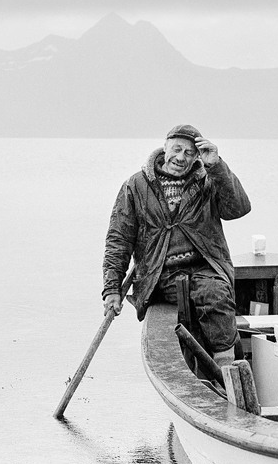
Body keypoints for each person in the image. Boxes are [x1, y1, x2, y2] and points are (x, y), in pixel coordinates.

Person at [101, 124, 251, 368]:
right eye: (177, 149)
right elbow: (118, 239)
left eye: (190, 153)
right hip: (160, 274)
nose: (181, 157)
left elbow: (238, 209)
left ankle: (227, 369)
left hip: (205, 267)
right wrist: (111, 289)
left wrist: (217, 166)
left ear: (197, 157)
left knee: (215, 294)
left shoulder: (208, 180)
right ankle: (219, 365)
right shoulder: (135, 186)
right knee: (205, 294)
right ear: (165, 147)